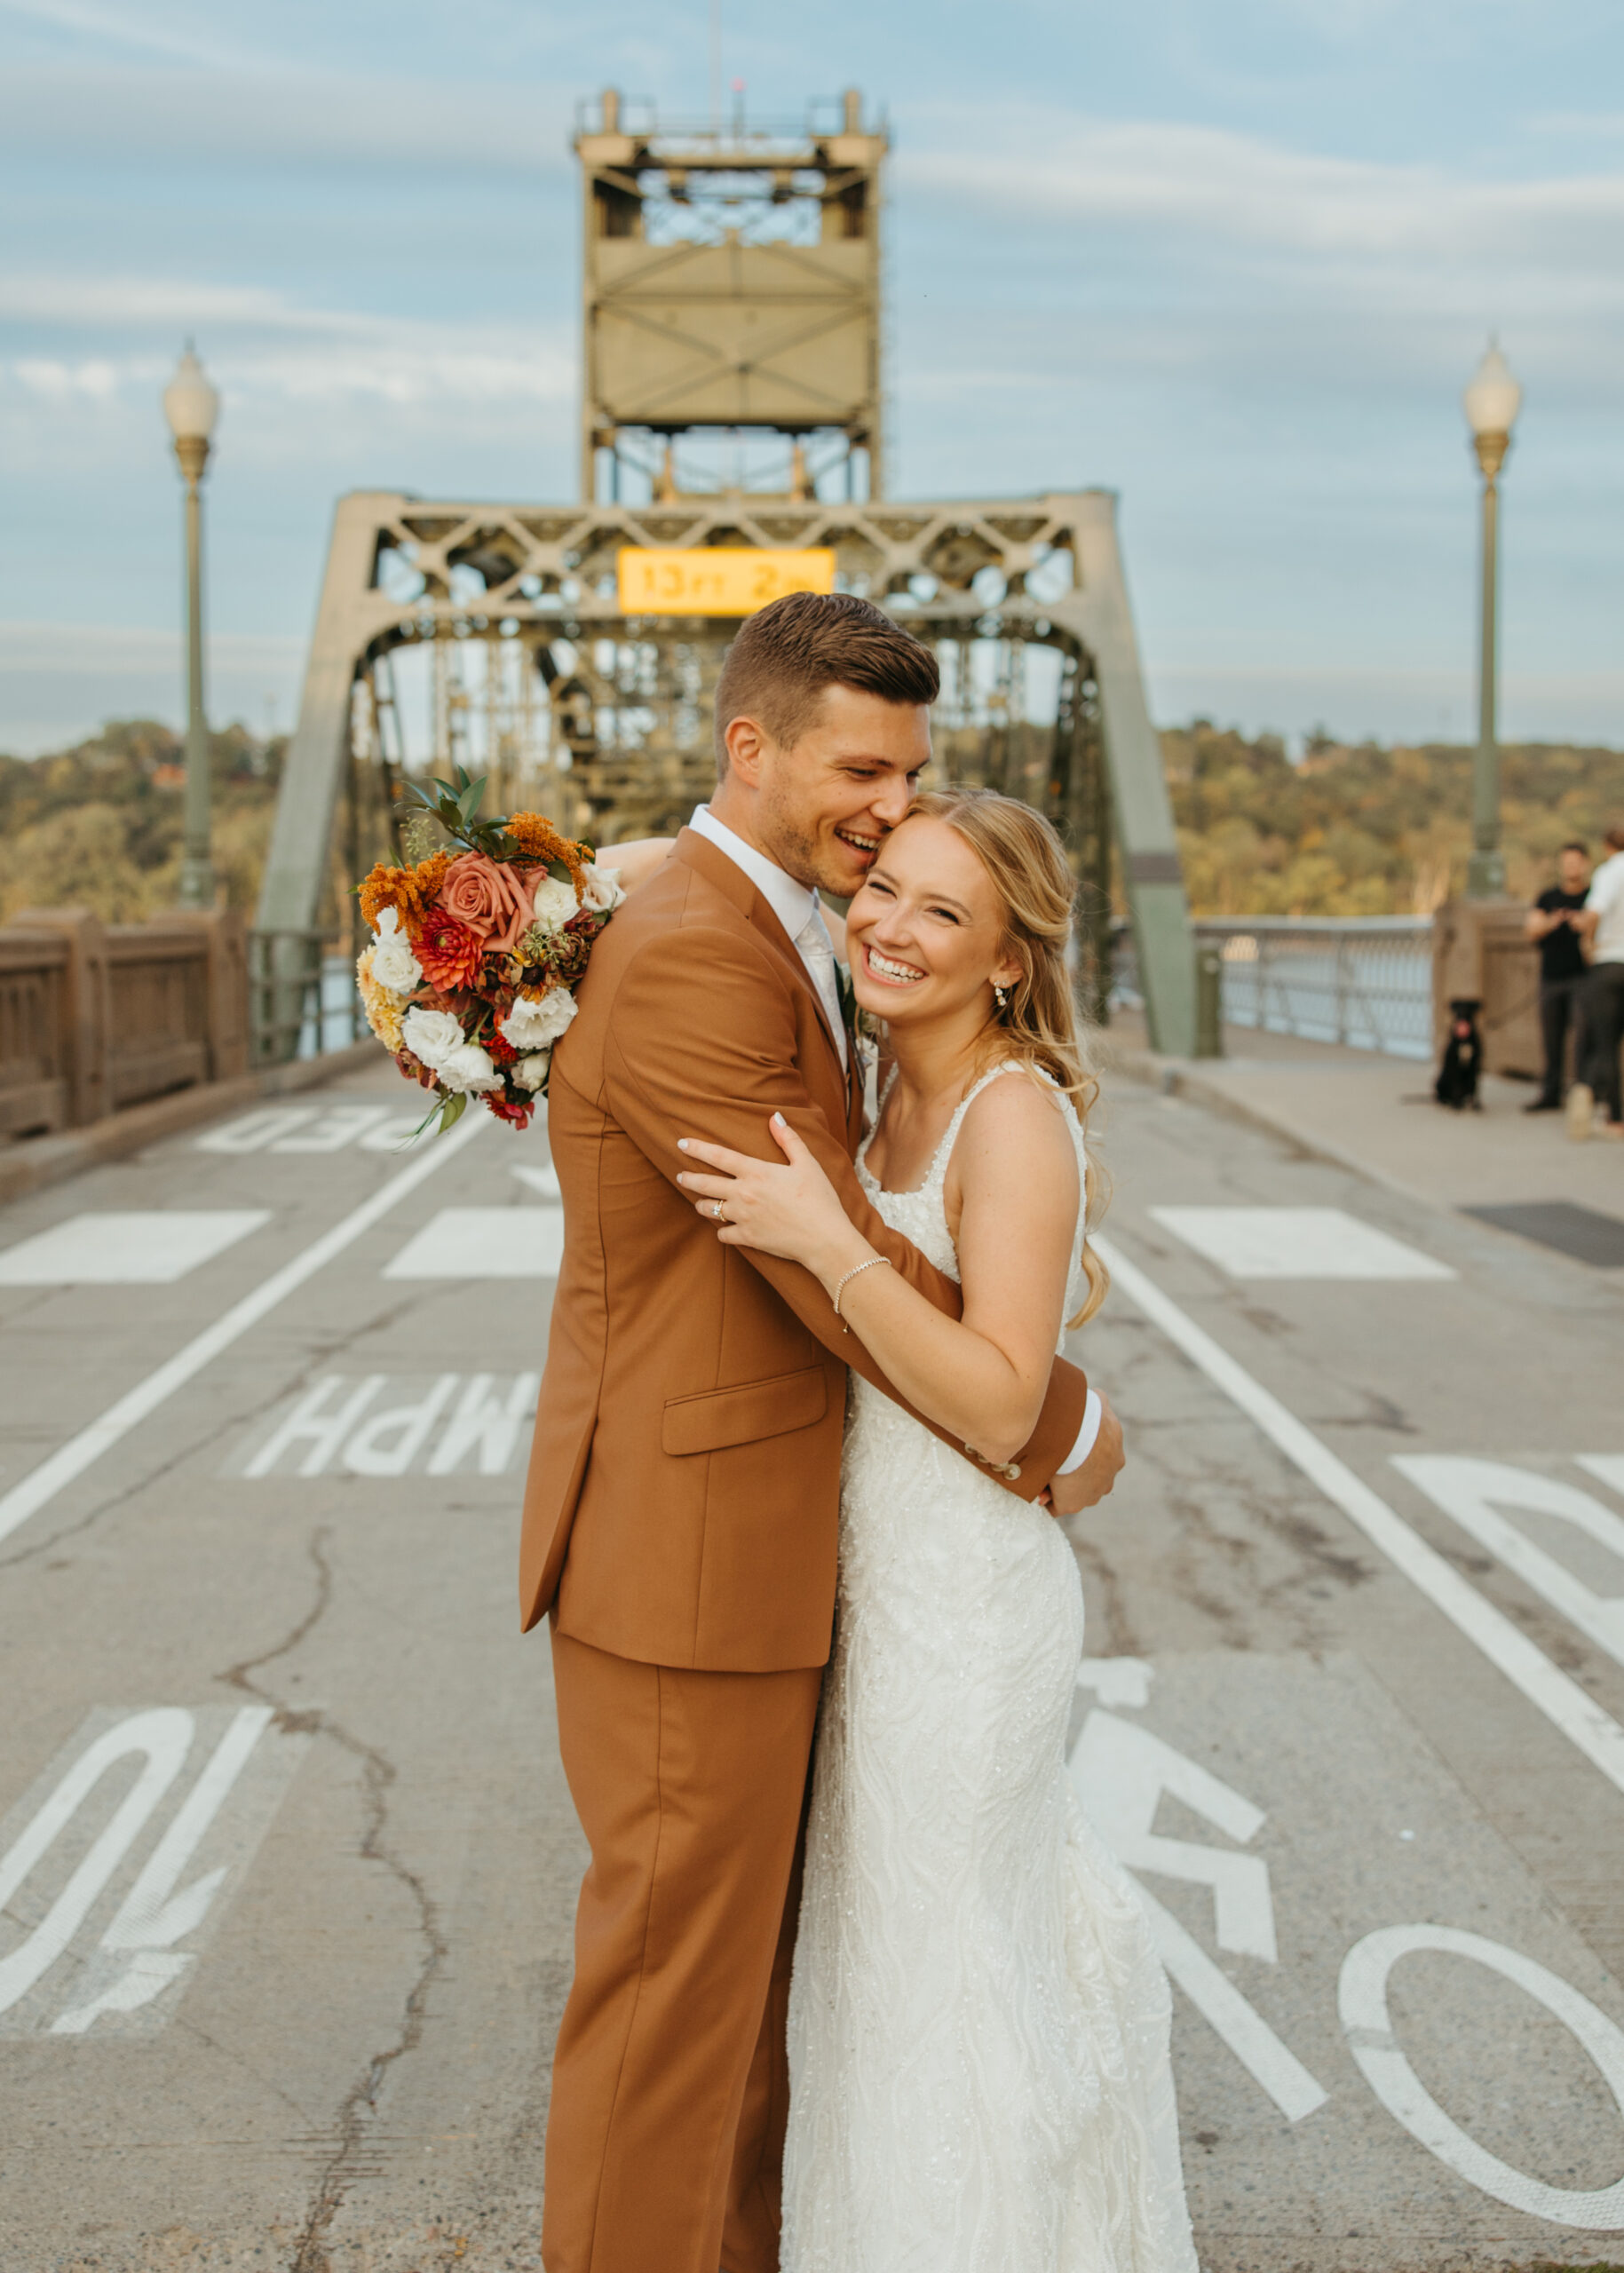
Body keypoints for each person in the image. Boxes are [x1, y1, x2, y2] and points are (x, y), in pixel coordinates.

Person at [519, 593, 1126, 2273]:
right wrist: (1058, 1419)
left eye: (909, 780)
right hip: (695, 1560)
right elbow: (824, 1266)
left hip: (818, 1560)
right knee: (672, 2024)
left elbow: (856, 1213)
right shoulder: (708, 949)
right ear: (753, 747)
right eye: (860, 774)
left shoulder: (754, 910)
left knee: (778, 2014)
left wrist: (625, 865)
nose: (882, 812)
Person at [677, 788, 1196, 2273]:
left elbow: (993, 1395)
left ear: (1008, 962)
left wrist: (829, 1245)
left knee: (946, 1979)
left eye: (942, 914)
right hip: (868, 1590)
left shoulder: (1008, 1115)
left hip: (963, 1613)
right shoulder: (861, 1073)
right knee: (879, 1979)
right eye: (879, 890)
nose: (889, 929)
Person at [1523, 842, 1591, 1112]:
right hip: (1551, 977)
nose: (1571, 867)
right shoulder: (1547, 897)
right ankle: (1551, 1093)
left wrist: (1582, 921)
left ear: (1585, 864)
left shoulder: (1593, 895)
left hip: (1583, 977)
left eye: (1575, 862)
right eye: (1566, 862)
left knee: (1584, 1038)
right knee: (1552, 1040)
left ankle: (1583, 1094)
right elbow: (1530, 930)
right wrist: (1553, 921)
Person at [1570, 820, 1624, 1140]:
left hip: (1610, 966)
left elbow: (1594, 913)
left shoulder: (1610, 872)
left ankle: (1615, 1118)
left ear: (1606, 846)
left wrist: (1586, 942)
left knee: (1605, 1045)